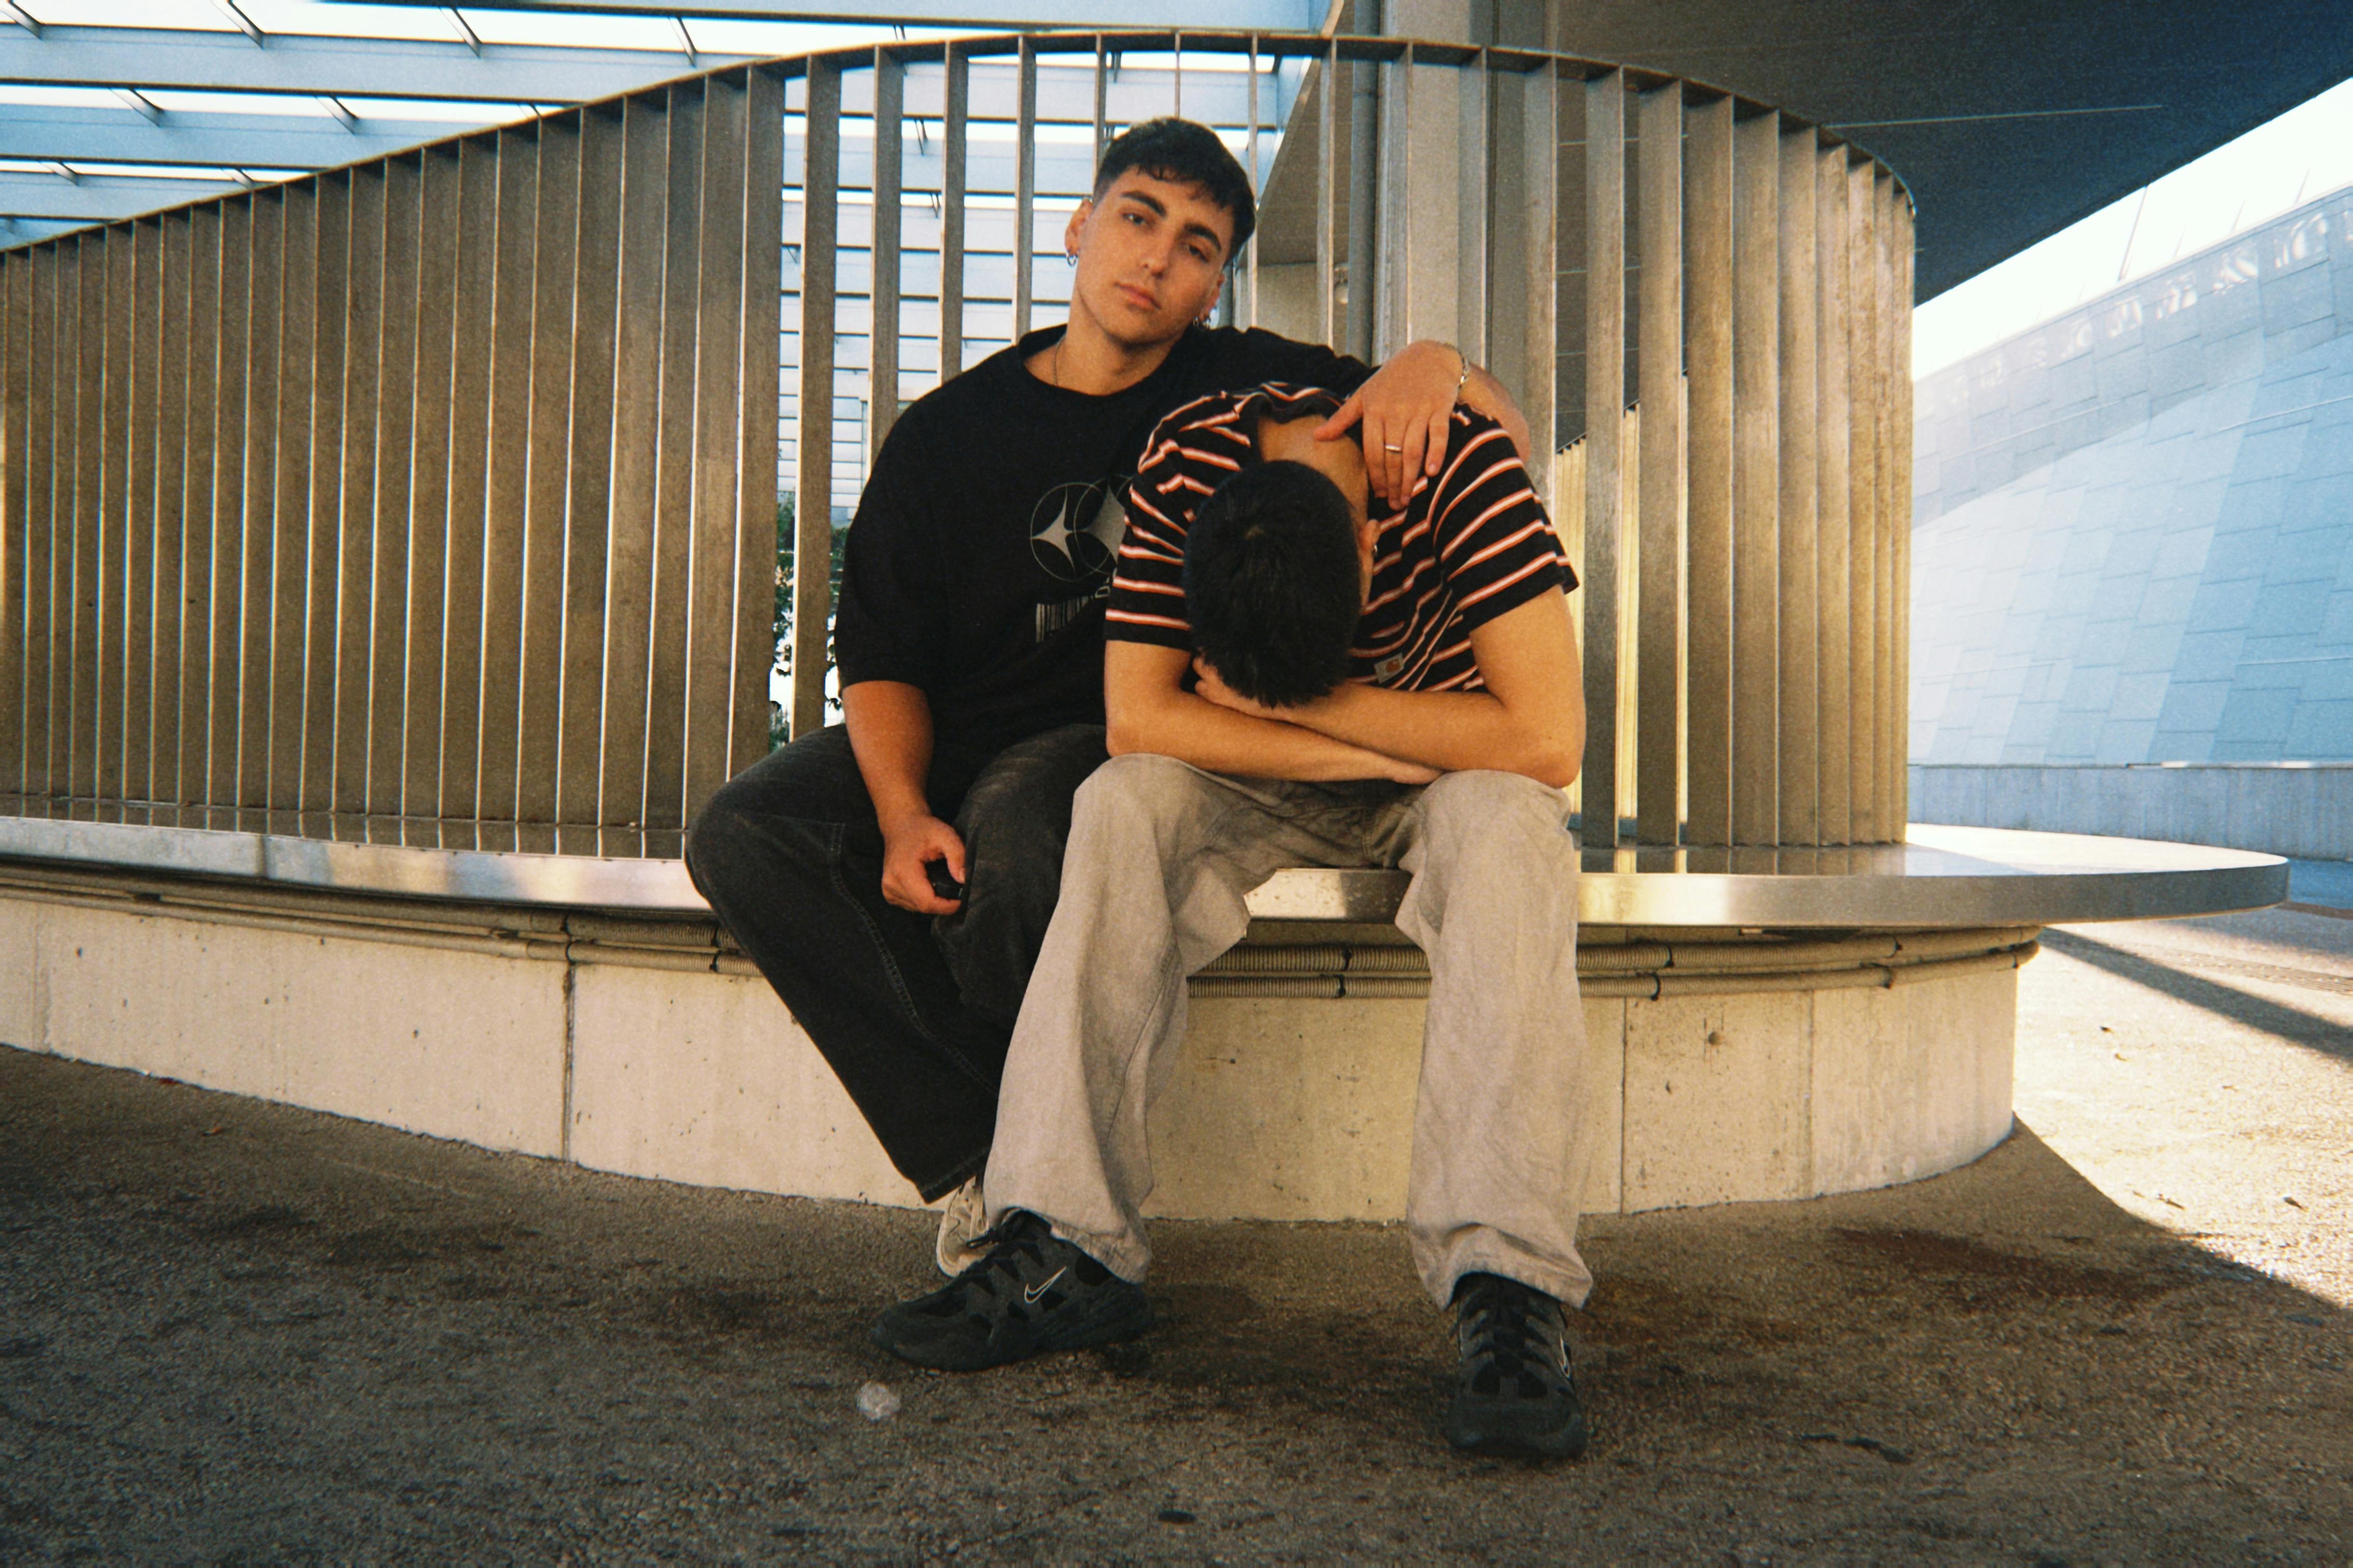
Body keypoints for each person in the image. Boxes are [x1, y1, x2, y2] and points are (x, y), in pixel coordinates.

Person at [685, 119, 1532, 1275]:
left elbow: (1475, 429)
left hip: (1122, 729)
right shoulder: (946, 437)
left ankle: (1045, 1189)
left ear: (1212, 282)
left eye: (1195, 245)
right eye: (1137, 218)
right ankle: (994, 1157)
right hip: (956, 731)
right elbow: (879, 659)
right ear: (1083, 229)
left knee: (1029, 825)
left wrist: (1438, 359)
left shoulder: (1238, 379)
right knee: (744, 831)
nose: (1156, 259)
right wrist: (894, 811)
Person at [869, 380, 1595, 1461]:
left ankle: (1506, 1285)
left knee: (1516, 836)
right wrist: (1345, 747)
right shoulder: (1186, 463)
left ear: (1364, 542)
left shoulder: (1463, 469)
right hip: (1302, 754)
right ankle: (1068, 1243)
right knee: (1123, 801)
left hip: (1450, 765)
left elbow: (1544, 741)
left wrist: (1310, 711)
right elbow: (1141, 715)